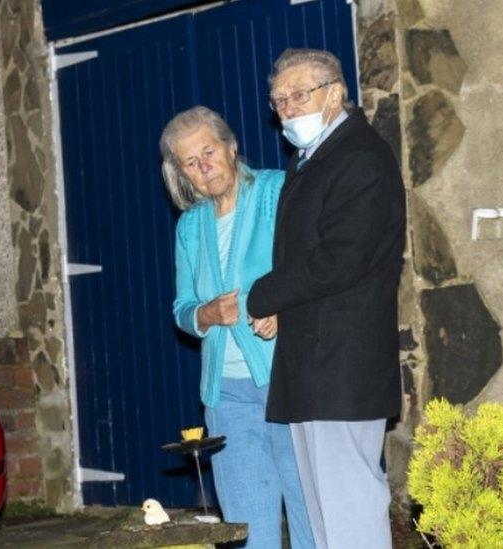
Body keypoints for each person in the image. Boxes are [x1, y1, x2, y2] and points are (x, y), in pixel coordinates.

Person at [246, 48, 406, 549]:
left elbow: (342, 258)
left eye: (299, 94)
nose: (288, 109)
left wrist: (263, 292)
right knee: (322, 522)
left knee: (350, 512)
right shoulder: (309, 160)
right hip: (312, 366)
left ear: (336, 92)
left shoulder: (360, 157)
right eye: (278, 101)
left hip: (343, 366)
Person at [165, 106, 314, 549]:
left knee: (310, 510)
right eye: (190, 162)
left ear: (231, 147)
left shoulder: (278, 190)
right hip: (226, 395)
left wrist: (284, 308)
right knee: (248, 526)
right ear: (182, 174)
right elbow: (182, 309)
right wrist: (205, 314)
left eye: (209, 151)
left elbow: (315, 267)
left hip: (289, 381)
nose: (203, 166)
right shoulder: (190, 226)